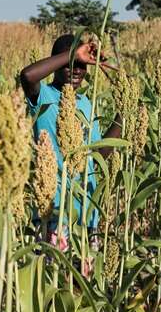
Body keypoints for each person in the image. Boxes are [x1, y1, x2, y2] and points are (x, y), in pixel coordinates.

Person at [19, 34, 122, 234]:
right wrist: (75, 53)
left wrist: (123, 115)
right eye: (70, 63)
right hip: (54, 212)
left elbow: (98, 156)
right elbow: (28, 76)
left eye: (82, 65)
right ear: (55, 64)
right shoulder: (43, 96)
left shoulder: (86, 103)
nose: (76, 70)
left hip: (86, 214)